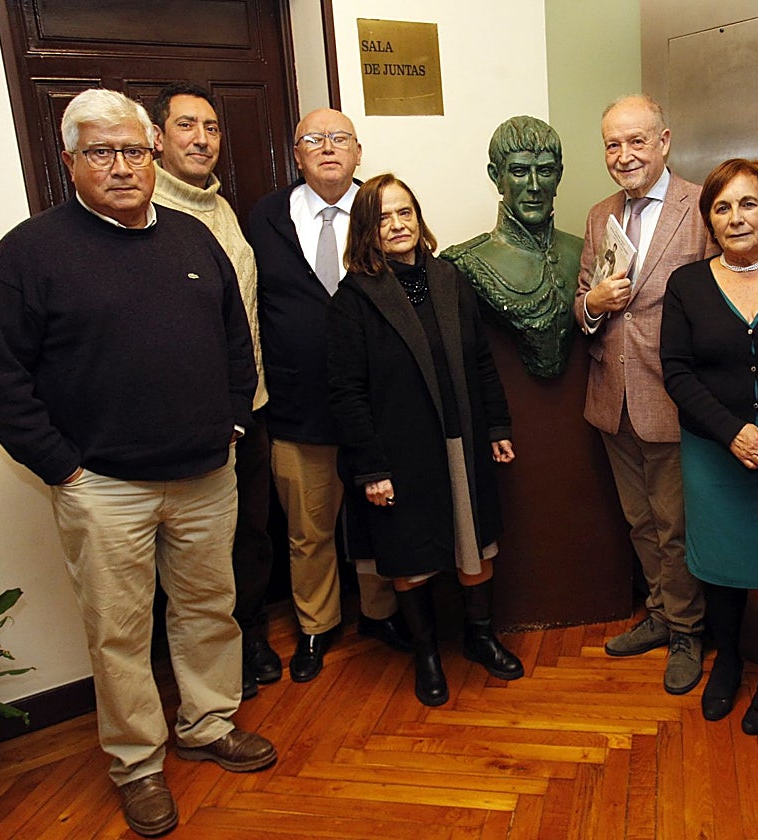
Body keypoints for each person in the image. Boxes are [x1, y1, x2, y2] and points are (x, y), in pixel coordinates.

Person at [0, 88, 276, 838]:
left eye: (134, 149)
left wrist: (232, 420)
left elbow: (238, 340)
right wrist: (62, 466)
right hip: (103, 487)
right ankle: (138, 765)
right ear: (69, 160)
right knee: (121, 633)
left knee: (208, 613)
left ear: (153, 152)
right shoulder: (29, 254)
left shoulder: (194, 240)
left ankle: (208, 723)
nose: (122, 165)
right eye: (101, 151)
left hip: (205, 475)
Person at [326, 174, 523, 707]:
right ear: (367, 228)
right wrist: (370, 468)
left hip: (462, 439)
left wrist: (498, 427)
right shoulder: (354, 299)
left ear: (419, 217)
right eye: (384, 217)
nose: (397, 225)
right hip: (400, 454)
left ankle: (480, 638)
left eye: (405, 212)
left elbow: (481, 360)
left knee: (474, 545)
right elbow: (346, 392)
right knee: (411, 558)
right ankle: (427, 654)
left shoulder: (448, 279)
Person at [248, 108, 412, 685]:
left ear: (358, 151)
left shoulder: (381, 210)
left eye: (339, 138)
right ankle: (316, 626)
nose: (327, 148)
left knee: (378, 514)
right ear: (296, 156)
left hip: (375, 404)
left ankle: (381, 614)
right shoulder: (265, 217)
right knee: (308, 527)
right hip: (298, 407)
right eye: (313, 140)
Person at [660, 159, 758, 734]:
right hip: (713, 453)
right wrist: (732, 432)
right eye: (722, 207)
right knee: (721, 568)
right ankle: (726, 661)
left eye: (748, 203)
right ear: (709, 220)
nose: (736, 217)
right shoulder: (688, 285)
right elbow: (676, 371)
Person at [573, 94, 714, 694]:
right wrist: (591, 305)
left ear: (664, 141)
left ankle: (687, 629)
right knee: (639, 521)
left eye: (636, 141)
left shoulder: (701, 207)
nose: (624, 155)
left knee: (676, 523)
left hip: (674, 396)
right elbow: (584, 302)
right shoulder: (600, 214)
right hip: (612, 396)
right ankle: (660, 614)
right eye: (612, 143)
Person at [148, 82, 279, 701]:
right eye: (185, 126)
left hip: (249, 407)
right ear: (157, 138)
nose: (201, 139)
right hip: (194, 424)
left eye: (212, 128)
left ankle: (250, 636)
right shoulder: (148, 212)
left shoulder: (222, 210)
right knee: (191, 555)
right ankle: (200, 671)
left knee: (251, 534)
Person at [442, 115, 583, 378]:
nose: (534, 186)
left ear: (559, 175)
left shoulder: (583, 251)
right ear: (497, 176)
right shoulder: (465, 262)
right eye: (519, 171)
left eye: (545, 171)